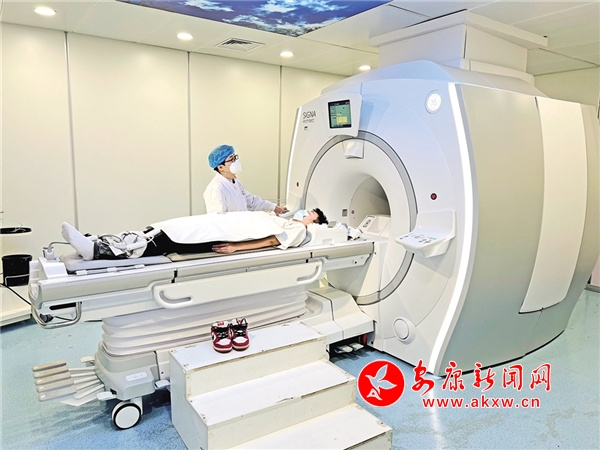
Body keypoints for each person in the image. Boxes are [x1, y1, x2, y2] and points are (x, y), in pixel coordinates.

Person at [61, 209, 328, 261]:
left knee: (167, 241)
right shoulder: (284, 218)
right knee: (165, 229)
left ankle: (100, 252)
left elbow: (272, 241)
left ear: (313, 223)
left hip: (225, 234)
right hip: (219, 224)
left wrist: (236, 248)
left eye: (310, 215)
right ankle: (102, 241)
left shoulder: (298, 229)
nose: (304, 213)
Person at [203, 144, 288, 215]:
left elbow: (252, 202)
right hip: (231, 230)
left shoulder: (235, 183)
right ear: (220, 167)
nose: (235, 161)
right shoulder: (216, 188)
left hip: (242, 227)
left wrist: (274, 207)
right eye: (231, 159)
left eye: (235, 157)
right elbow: (217, 220)